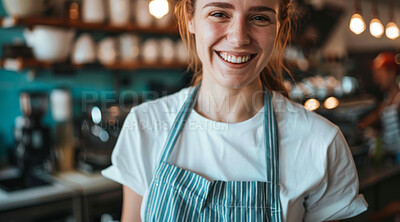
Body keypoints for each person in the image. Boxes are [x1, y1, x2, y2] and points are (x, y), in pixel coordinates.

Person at [102, 0, 368, 221]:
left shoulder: (321, 144)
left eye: (260, 18)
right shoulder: (145, 126)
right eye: (219, 14)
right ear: (190, 17)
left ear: (280, 26)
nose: (239, 37)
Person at [358, 52, 400, 153]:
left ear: (392, 73)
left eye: (379, 74)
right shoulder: (387, 99)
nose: (376, 80)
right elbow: (371, 119)